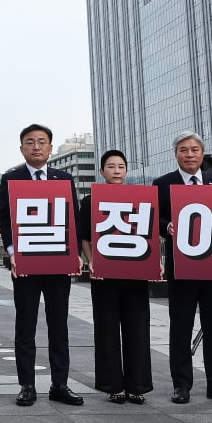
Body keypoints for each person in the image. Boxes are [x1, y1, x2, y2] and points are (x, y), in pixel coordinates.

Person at [0, 124, 83, 407]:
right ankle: (27, 385)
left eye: (42, 142)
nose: (36, 146)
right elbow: (5, 220)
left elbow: (73, 217)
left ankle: (60, 384)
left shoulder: (63, 178)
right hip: (26, 264)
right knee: (26, 326)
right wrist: (11, 252)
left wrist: (76, 253)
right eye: (30, 142)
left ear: (49, 147)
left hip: (58, 263)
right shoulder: (11, 179)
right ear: (22, 148)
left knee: (59, 326)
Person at [153, 133, 212, 405]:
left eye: (194, 150)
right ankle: (181, 385)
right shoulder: (163, 184)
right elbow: (154, 218)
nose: (189, 154)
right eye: (183, 150)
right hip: (181, 268)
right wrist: (167, 227)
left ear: (202, 153)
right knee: (180, 327)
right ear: (175, 154)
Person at [79, 150, 153, 404]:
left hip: (135, 274)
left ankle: (137, 385)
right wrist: (92, 263)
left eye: (121, 166)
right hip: (104, 276)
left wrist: (156, 263)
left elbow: (149, 235)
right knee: (107, 329)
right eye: (111, 166)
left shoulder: (140, 198)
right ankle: (114, 385)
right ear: (102, 172)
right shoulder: (90, 201)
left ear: (127, 170)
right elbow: (85, 236)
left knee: (138, 330)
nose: (117, 170)